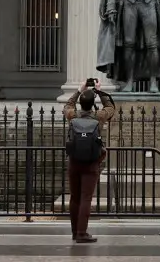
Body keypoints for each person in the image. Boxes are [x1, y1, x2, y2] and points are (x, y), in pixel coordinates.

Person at [63, 80, 116, 243]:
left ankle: (74, 232)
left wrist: (79, 90)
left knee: (75, 197)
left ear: (81, 103)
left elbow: (67, 105)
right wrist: (100, 92)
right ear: (93, 104)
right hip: (92, 162)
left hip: (74, 161)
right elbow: (111, 109)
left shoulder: (72, 115)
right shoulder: (99, 116)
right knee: (86, 197)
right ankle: (82, 233)